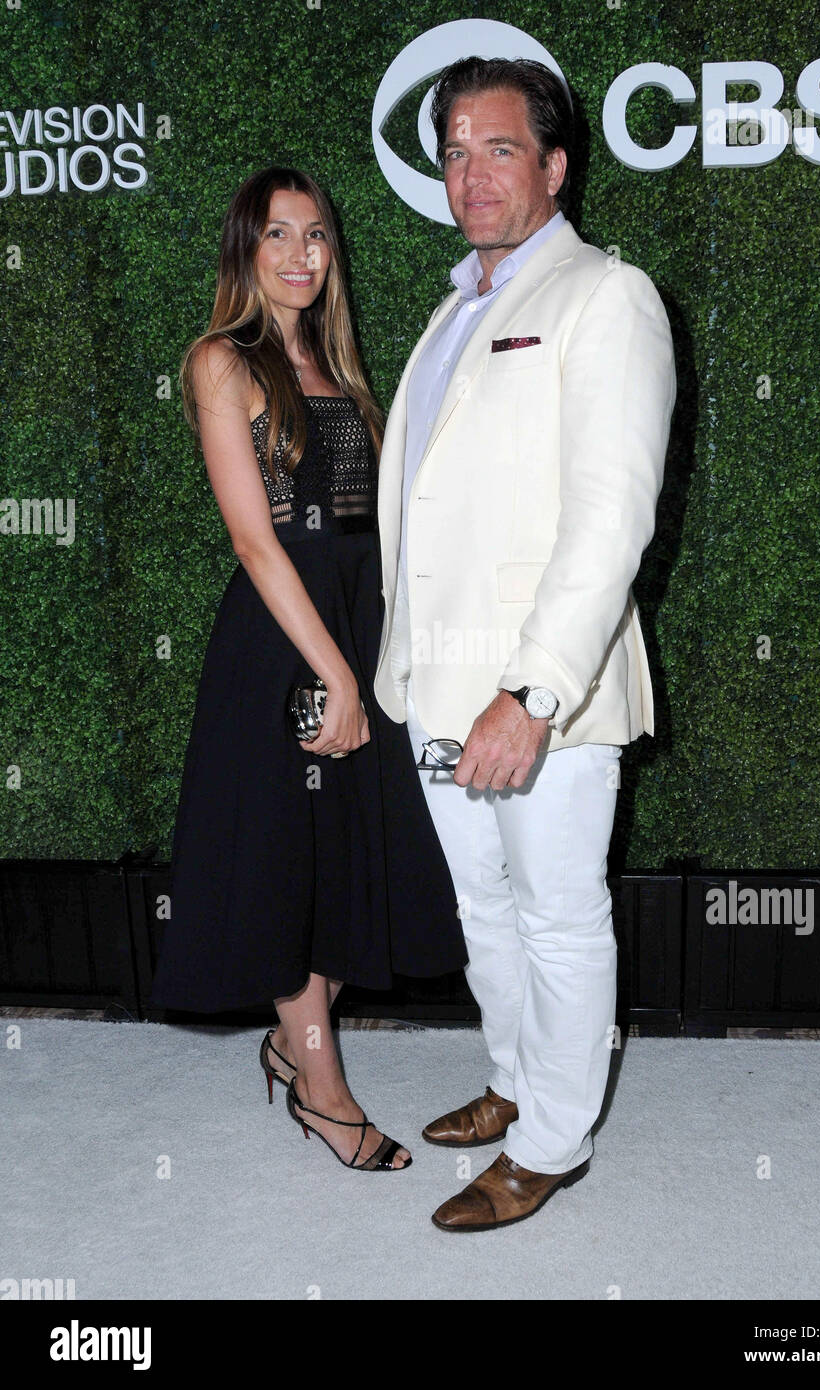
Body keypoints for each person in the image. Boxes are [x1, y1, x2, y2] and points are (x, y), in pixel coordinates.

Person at [373, 59, 676, 1227]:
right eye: (454, 150)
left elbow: (611, 519)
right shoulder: (456, 306)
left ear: (553, 167)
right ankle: (513, 1080)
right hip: (439, 681)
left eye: (498, 149)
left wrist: (533, 692)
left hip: (538, 693)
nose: (470, 173)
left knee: (555, 912)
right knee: (484, 911)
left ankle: (553, 1140)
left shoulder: (606, 296)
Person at [149, 166, 466, 1172]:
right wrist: (334, 670)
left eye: (314, 235)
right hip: (285, 642)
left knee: (343, 854)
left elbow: (383, 531)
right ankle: (323, 1094)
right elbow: (255, 540)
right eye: (275, 234)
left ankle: (294, 1042)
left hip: (356, 632)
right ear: (245, 251)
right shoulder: (219, 361)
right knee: (289, 857)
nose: (296, 254)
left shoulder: (342, 369)